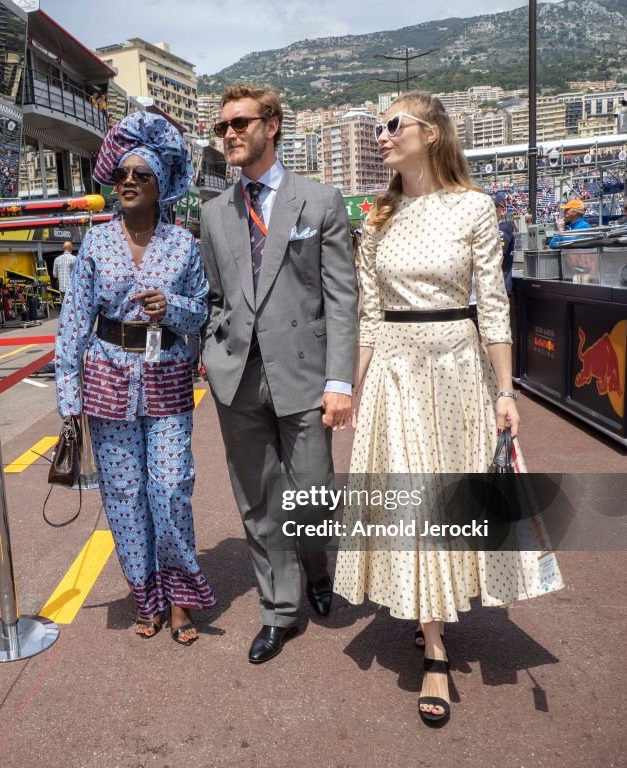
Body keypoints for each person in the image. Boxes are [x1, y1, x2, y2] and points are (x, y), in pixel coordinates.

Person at [334, 91, 558, 725]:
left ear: (431, 133)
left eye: (392, 124)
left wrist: (506, 392)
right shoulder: (377, 215)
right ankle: (434, 647)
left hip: (458, 370)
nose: (381, 135)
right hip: (397, 375)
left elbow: (493, 303)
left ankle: (434, 607)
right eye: (378, 126)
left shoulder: (474, 208)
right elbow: (369, 315)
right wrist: (352, 387)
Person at [200, 84, 358, 664]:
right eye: (222, 128)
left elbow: (343, 299)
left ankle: (319, 568)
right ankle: (280, 611)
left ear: (272, 126)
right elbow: (217, 295)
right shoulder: (215, 212)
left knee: (313, 497)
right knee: (260, 503)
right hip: (237, 379)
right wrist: (211, 352)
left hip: (305, 375)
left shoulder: (319, 201)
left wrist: (339, 381)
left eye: (239, 123)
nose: (229, 135)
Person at [55, 111, 215, 645]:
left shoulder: (184, 246)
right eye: (121, 174)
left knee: (169, 489)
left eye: (140, 175)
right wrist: (68, 398)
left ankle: (181, 599)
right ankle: (145, 597)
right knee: (124, 494)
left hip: (167, 379)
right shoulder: (95, 245)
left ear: (161, 185)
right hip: (106, 381)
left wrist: (169, 307)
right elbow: (74, 322)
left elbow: (200, 316)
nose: (126, 182)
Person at [496, 197, 515, 293]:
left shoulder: (502, 229)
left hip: (500, 285)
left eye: (494, 207)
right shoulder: (495, 227)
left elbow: (499, 260)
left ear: (502, 210)